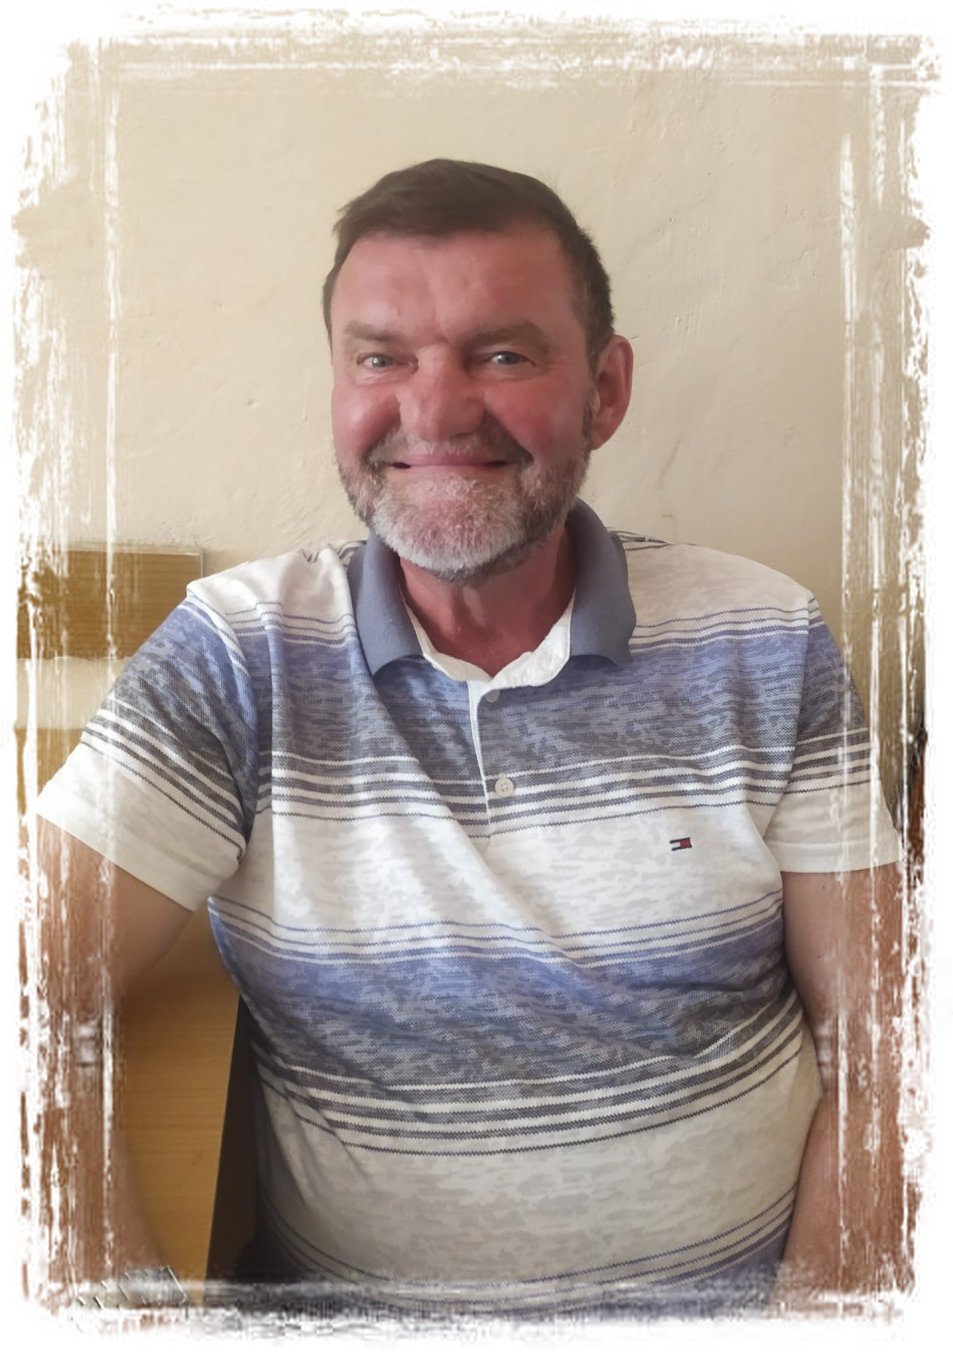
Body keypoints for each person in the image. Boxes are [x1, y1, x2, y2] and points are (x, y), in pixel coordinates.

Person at [36, 159, 903, 1319]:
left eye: (500, 354)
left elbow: (887, 1038)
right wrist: (124, 1319)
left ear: (604, 389)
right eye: (379, 357)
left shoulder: (766, 636)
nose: (434, 412)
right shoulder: (239, 656)